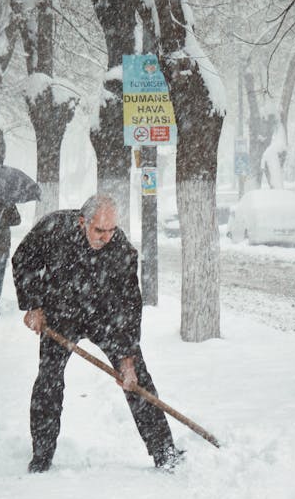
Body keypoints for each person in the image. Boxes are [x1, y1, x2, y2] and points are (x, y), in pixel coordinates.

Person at [11, 193, 183, 474]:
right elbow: (23, 260)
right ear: (82, 222)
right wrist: (33, 306)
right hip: (60, 314)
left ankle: (164, 451)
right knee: (49, 380)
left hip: (105, 317)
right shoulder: (54, 228)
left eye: (111, 230)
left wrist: (127, 357)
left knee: (138, 378)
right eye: (99, 230)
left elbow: (130, 304)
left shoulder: (121, 250)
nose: (105, 237)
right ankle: (42, 454)